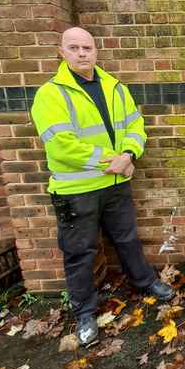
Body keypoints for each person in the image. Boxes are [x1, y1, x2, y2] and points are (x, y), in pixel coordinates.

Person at [31, 27, 174, 347]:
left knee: (127, 238)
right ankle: (84, 312)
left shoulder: (115, 88)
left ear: (96, 51)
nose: (82, 53)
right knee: (80, 253)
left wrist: (129, 154)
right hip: (76, 191)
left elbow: (135, 125)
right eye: (74, 48)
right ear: (62, 52)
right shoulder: (51, 94)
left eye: (87, 47)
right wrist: (114, 160)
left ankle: (144, 281)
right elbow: (61, 146)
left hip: (116, 185)